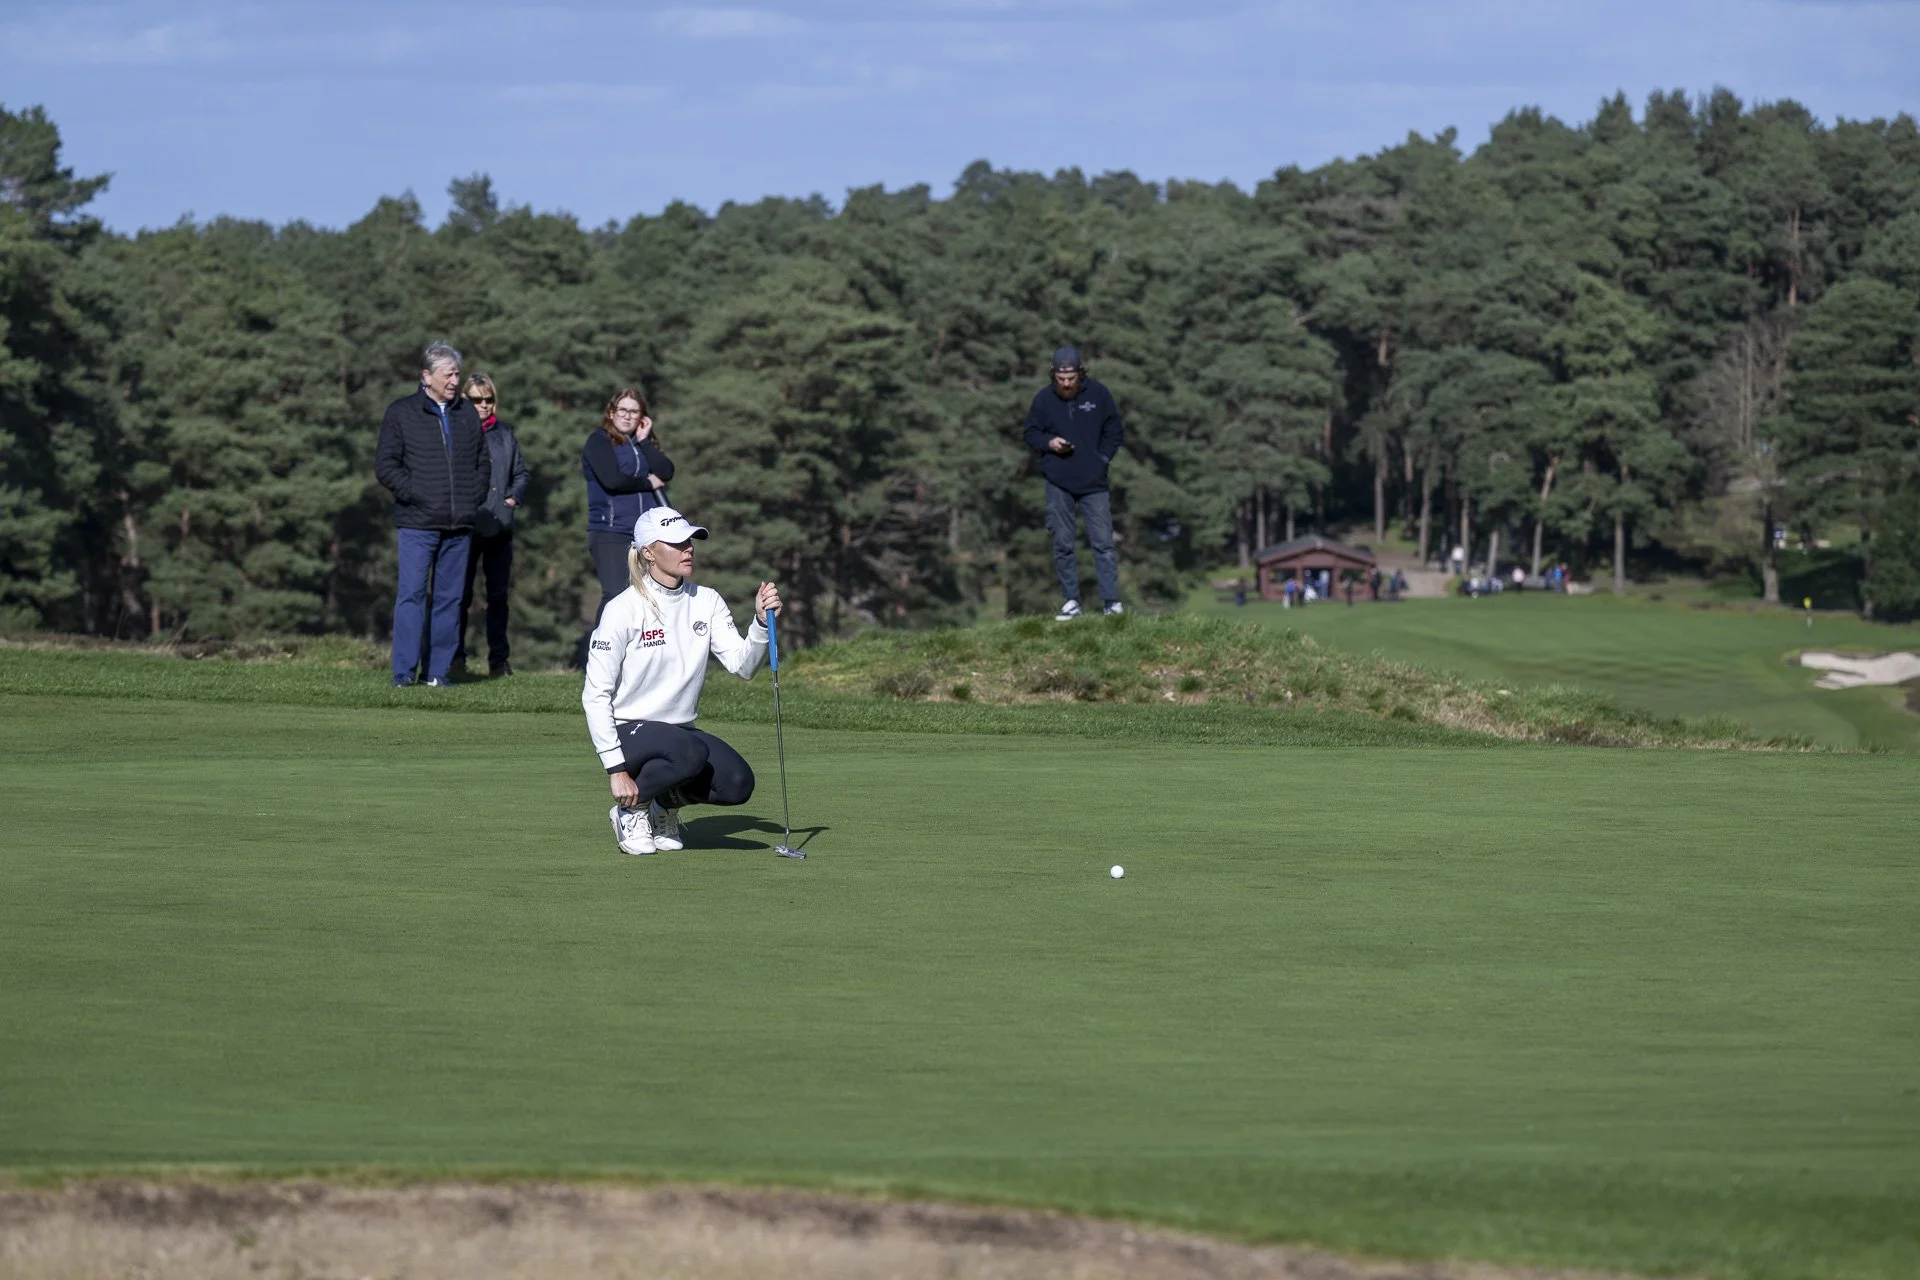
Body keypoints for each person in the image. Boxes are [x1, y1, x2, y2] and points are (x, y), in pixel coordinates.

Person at [583, 506, 782, 856]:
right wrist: (615, 769)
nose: (688, 547)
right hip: (629, 731)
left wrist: (761, 623)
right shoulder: (622, 609)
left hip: (680, 734)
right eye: (676, 543)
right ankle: (630, 810)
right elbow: (595, 694)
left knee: (737, 783)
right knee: (687, 751)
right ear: (648, 552)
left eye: (689, 540)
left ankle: (662, 806)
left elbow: (742, 665)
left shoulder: (706, 601)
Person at [375, 341, 489, 687]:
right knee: (411, 595)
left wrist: (473, 496)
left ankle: (438, 673)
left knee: (450, 600)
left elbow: (482, 462)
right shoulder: (401, 413)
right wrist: (418, 495)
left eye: (457, 373)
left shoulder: (466, 413)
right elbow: (386, 466)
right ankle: (404, 674)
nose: (455, 380)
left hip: (460, 524)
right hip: (417, 523)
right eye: (448, 374)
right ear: (427, 377)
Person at [1022, 347, 1125, 620]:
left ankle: (1111, 603)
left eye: (1071, 377)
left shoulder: (1099, 394)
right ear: (1053, 375)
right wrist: (1049, 443)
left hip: (1094, 482)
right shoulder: (1043, 400)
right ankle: (1071, 601)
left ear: (1080, 373)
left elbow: (1114, 430)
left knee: (1103, 543)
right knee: (1063, 544)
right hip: (1058, 481)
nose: (1066, 383)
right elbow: (1030, 432)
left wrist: (1102, 458)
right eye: (1060, 378)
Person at [453, 373, 531, 678]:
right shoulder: (456, 432)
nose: (483, 405)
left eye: (488, 399)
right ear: (465, 400)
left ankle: (499, 661)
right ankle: (455, 657)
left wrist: (511, 500)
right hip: (466, 525)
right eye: (476, 399)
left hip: (499, 525)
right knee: (460, 596)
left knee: (498, 597)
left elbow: (521, 473)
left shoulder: (504, 434)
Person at [582, 386, 674, 621]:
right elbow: (612, 480)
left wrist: (644, 442)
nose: (627, 415)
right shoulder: (598, 441)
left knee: (647, 598)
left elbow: (666, 471)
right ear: (611, 412)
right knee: (616, 595)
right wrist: (647, 482)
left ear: (642, 417)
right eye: (622, 409)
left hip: (645, 534)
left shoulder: (640, 444)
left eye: (634, 411)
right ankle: (600, 653)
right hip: (611, 530)